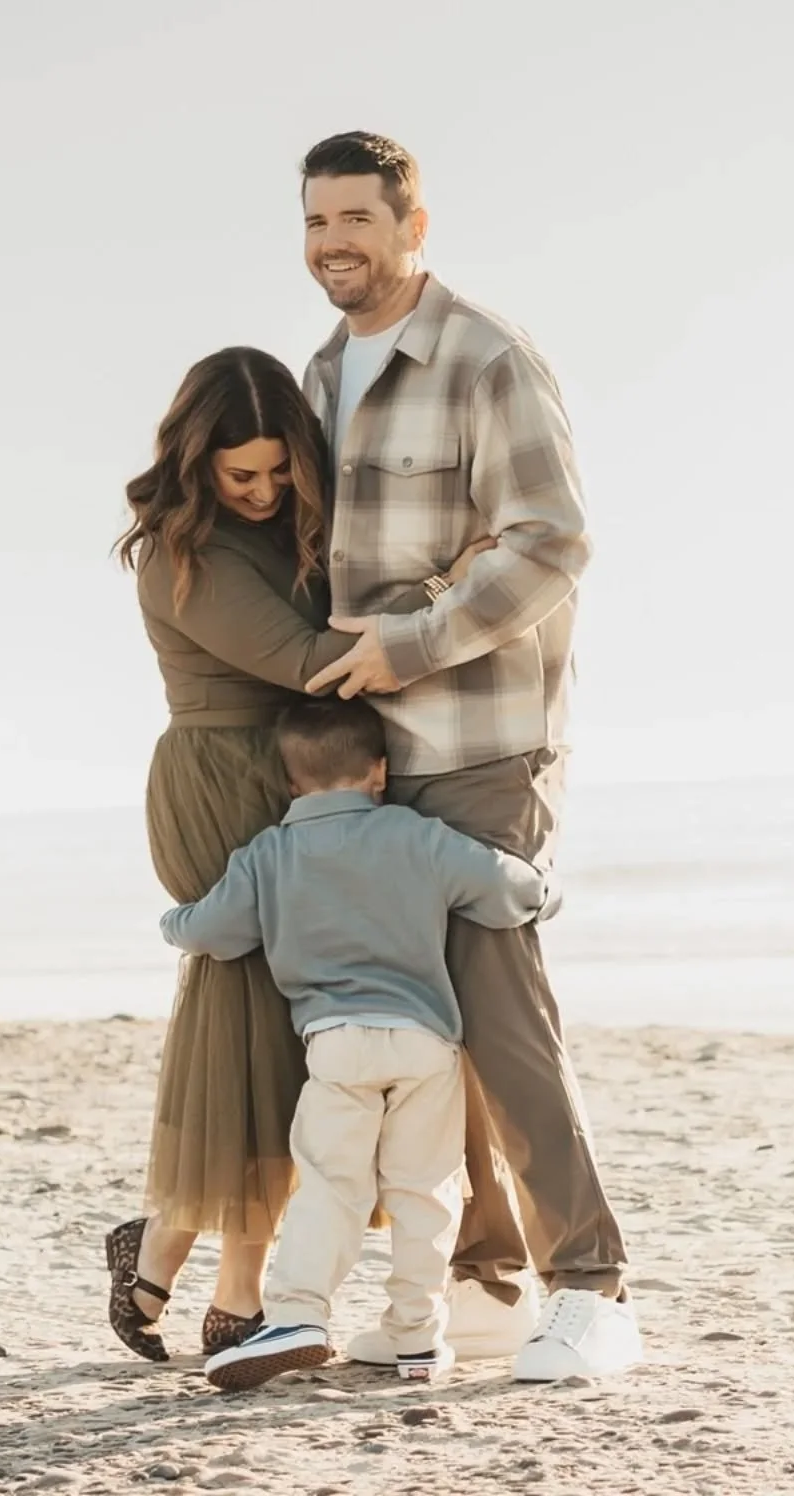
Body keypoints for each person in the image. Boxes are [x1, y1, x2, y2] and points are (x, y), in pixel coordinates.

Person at [296, 130, 643, 1382]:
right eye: (316, 223)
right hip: (371, 757)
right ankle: (488, 1271)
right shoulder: (322, 377)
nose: (335, 244)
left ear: (412, 223)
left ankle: (593, 1287)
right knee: (421, 1019)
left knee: (501, 1010)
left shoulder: (486, 357)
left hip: (484, 739)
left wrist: (414, 644)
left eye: (358, 220)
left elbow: (553, 543)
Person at [105, 347, 489, 1363]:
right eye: (244, 477)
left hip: (295, 773)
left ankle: (165, 1244)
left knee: (284, 1033)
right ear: (198, 465)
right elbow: (312, 662)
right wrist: (466, 614)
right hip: (225, 777)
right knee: (252, 1022)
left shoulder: (293, 532)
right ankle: (230, 1283)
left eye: (282, 473)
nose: (267, 492)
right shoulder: (178, 554)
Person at [160, 696, 556, 1392]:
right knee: (422, 1191)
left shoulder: (268, 855)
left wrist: (173, 920)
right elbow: (503, 884)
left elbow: (211, 933)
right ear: (379, 772)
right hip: (425, 1043)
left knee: (330, 1187)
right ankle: (416, 1336)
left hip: (336, 1045)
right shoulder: (416, 836)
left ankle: (299, 1315)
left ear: (290, 783)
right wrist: (545, 893)